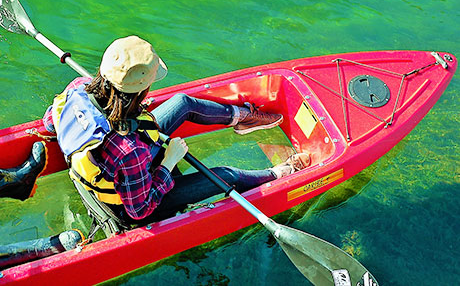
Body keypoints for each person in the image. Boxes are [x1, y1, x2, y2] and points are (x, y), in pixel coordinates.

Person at [2, 36, 311, 225]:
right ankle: (279, 175)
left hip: (114, 158)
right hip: (127, 204)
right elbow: (140, 209)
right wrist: (168, 162)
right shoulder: (129, 152)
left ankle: (242, 117)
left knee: (182, 103)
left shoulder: (76, 90)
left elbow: (48, 124)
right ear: (140, 90)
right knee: (225, 176)